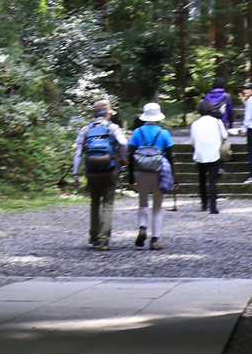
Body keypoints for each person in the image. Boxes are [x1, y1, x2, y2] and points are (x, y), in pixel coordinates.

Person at [70, 99, 127, 250]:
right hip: (110, 171)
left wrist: (75, 175)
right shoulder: (113, 128)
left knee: (95, 204)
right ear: (108, 113)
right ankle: (103, 239)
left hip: (92, 172)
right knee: (107, 204)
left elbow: (78, 153)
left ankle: (94, 237)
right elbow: (123, 143)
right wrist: (123, 158)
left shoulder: (86, 130)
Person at [125, 102, 174, 250]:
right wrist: (175, 179)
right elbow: (171, 157)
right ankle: (155, 239)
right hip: (159, 171)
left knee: (143, 203)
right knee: (157, 207)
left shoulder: (137, 132)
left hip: (141, 170)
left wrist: (130, 177)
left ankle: (142, 227)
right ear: (158, 116)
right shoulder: (164, 133)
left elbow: (131, 154)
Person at [190, 101, 225, 213]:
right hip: (213, 154)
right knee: (213, 181)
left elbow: (192, 141)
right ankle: (213, 207)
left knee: (202, 179)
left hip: (200, 154)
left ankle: (204, 203)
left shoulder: (195, 124)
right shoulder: (217, 122)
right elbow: (224, 135)